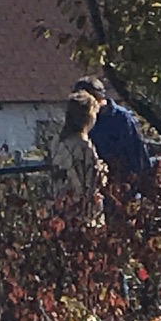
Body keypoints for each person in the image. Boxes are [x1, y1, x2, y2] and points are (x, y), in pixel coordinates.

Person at [74, 77, 152, 178]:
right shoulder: (79, 120)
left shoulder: (122, 118)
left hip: (121, 182)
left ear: (98, 97)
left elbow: (138, 156)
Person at [50, 91, 106, 223]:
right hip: (82, 208)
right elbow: (91, 180)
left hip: (61, 202)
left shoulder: (57, 142)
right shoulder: (84, 146)